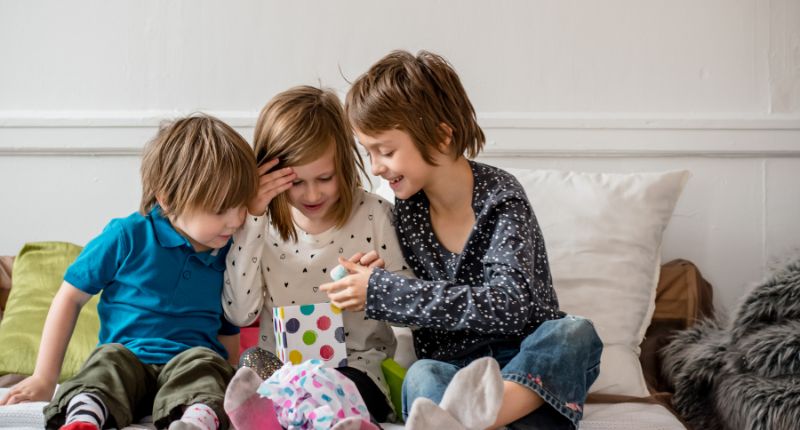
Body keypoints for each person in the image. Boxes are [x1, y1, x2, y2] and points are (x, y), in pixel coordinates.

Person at [320, 50, 603, 430]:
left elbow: (511, 307)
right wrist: (376, 281)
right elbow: (417, 301)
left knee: (574, 333)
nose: (375, 167)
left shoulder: (501, 198)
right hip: (452, 369)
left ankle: (479, 417)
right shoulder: (406, 210)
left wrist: (387, 292)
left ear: (440, 136)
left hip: (520, 359)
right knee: (421, 375)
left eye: (385, 151)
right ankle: (476, 417)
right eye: (369, 152)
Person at [0, 114, 258, 430]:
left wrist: (227, 371)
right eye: (220, 209)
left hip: (188, 364)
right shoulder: (127, 236)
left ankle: (195, 422)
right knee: (105, 363)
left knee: (208, 367)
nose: (236, 220)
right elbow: (69, 298)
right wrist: (44, 377)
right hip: (128, 359)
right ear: (168, 199)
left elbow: (227, 326)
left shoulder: (230, 253)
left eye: (242, 205)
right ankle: (84, 417)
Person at [221, 86, 410, 429]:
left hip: (355, 372)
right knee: (251, 362)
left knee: (337, 386)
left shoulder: (374, 216)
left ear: (345, 164)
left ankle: (305, 417)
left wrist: (379, 289)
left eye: (325, 178)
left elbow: (414, 317)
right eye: (296, 183)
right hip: (282, 373)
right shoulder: (258, 226)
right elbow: (239, 312)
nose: (312, 194)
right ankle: (293, 414)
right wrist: (251, 222)